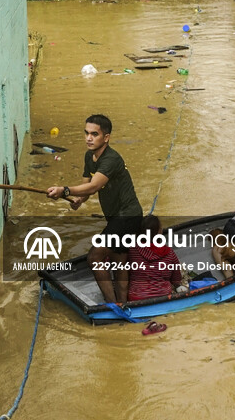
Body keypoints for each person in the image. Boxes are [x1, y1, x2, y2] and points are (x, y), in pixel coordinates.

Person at [47, 114, 143, 303]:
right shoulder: (89, 157)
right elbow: (86, 187)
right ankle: (123, 303)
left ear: (106, 138)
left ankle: (111, 305)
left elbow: (94, 186)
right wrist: (78, 200)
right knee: (118, 260)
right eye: (86, 133)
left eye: (94, 134)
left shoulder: (111, 159)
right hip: (115, 218)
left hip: (128, 215)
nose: (89, 138)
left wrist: (64, 189)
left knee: (94, 256)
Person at [122, 215, 184, 302]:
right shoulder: (169, 253)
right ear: (159, 232)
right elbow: (176, 280)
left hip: (136, 297)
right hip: (163, 297)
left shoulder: (133, 250)